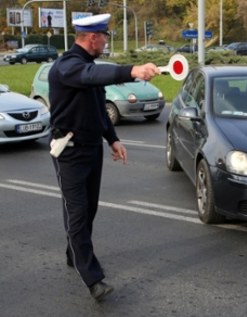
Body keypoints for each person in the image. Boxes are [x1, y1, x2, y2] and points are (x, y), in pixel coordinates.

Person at [48, 13, 160, 302]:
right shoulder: (67, 67)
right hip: (69, 151)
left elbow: (98, 109)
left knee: (88, 209)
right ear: (92, 37)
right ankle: (93, 278)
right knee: (78, 211)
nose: (107, 41)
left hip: (91, 148)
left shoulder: (88, 65)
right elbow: (91, 77)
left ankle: (74, 251)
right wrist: (133, 70)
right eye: (105, 36)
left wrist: (113, 139)